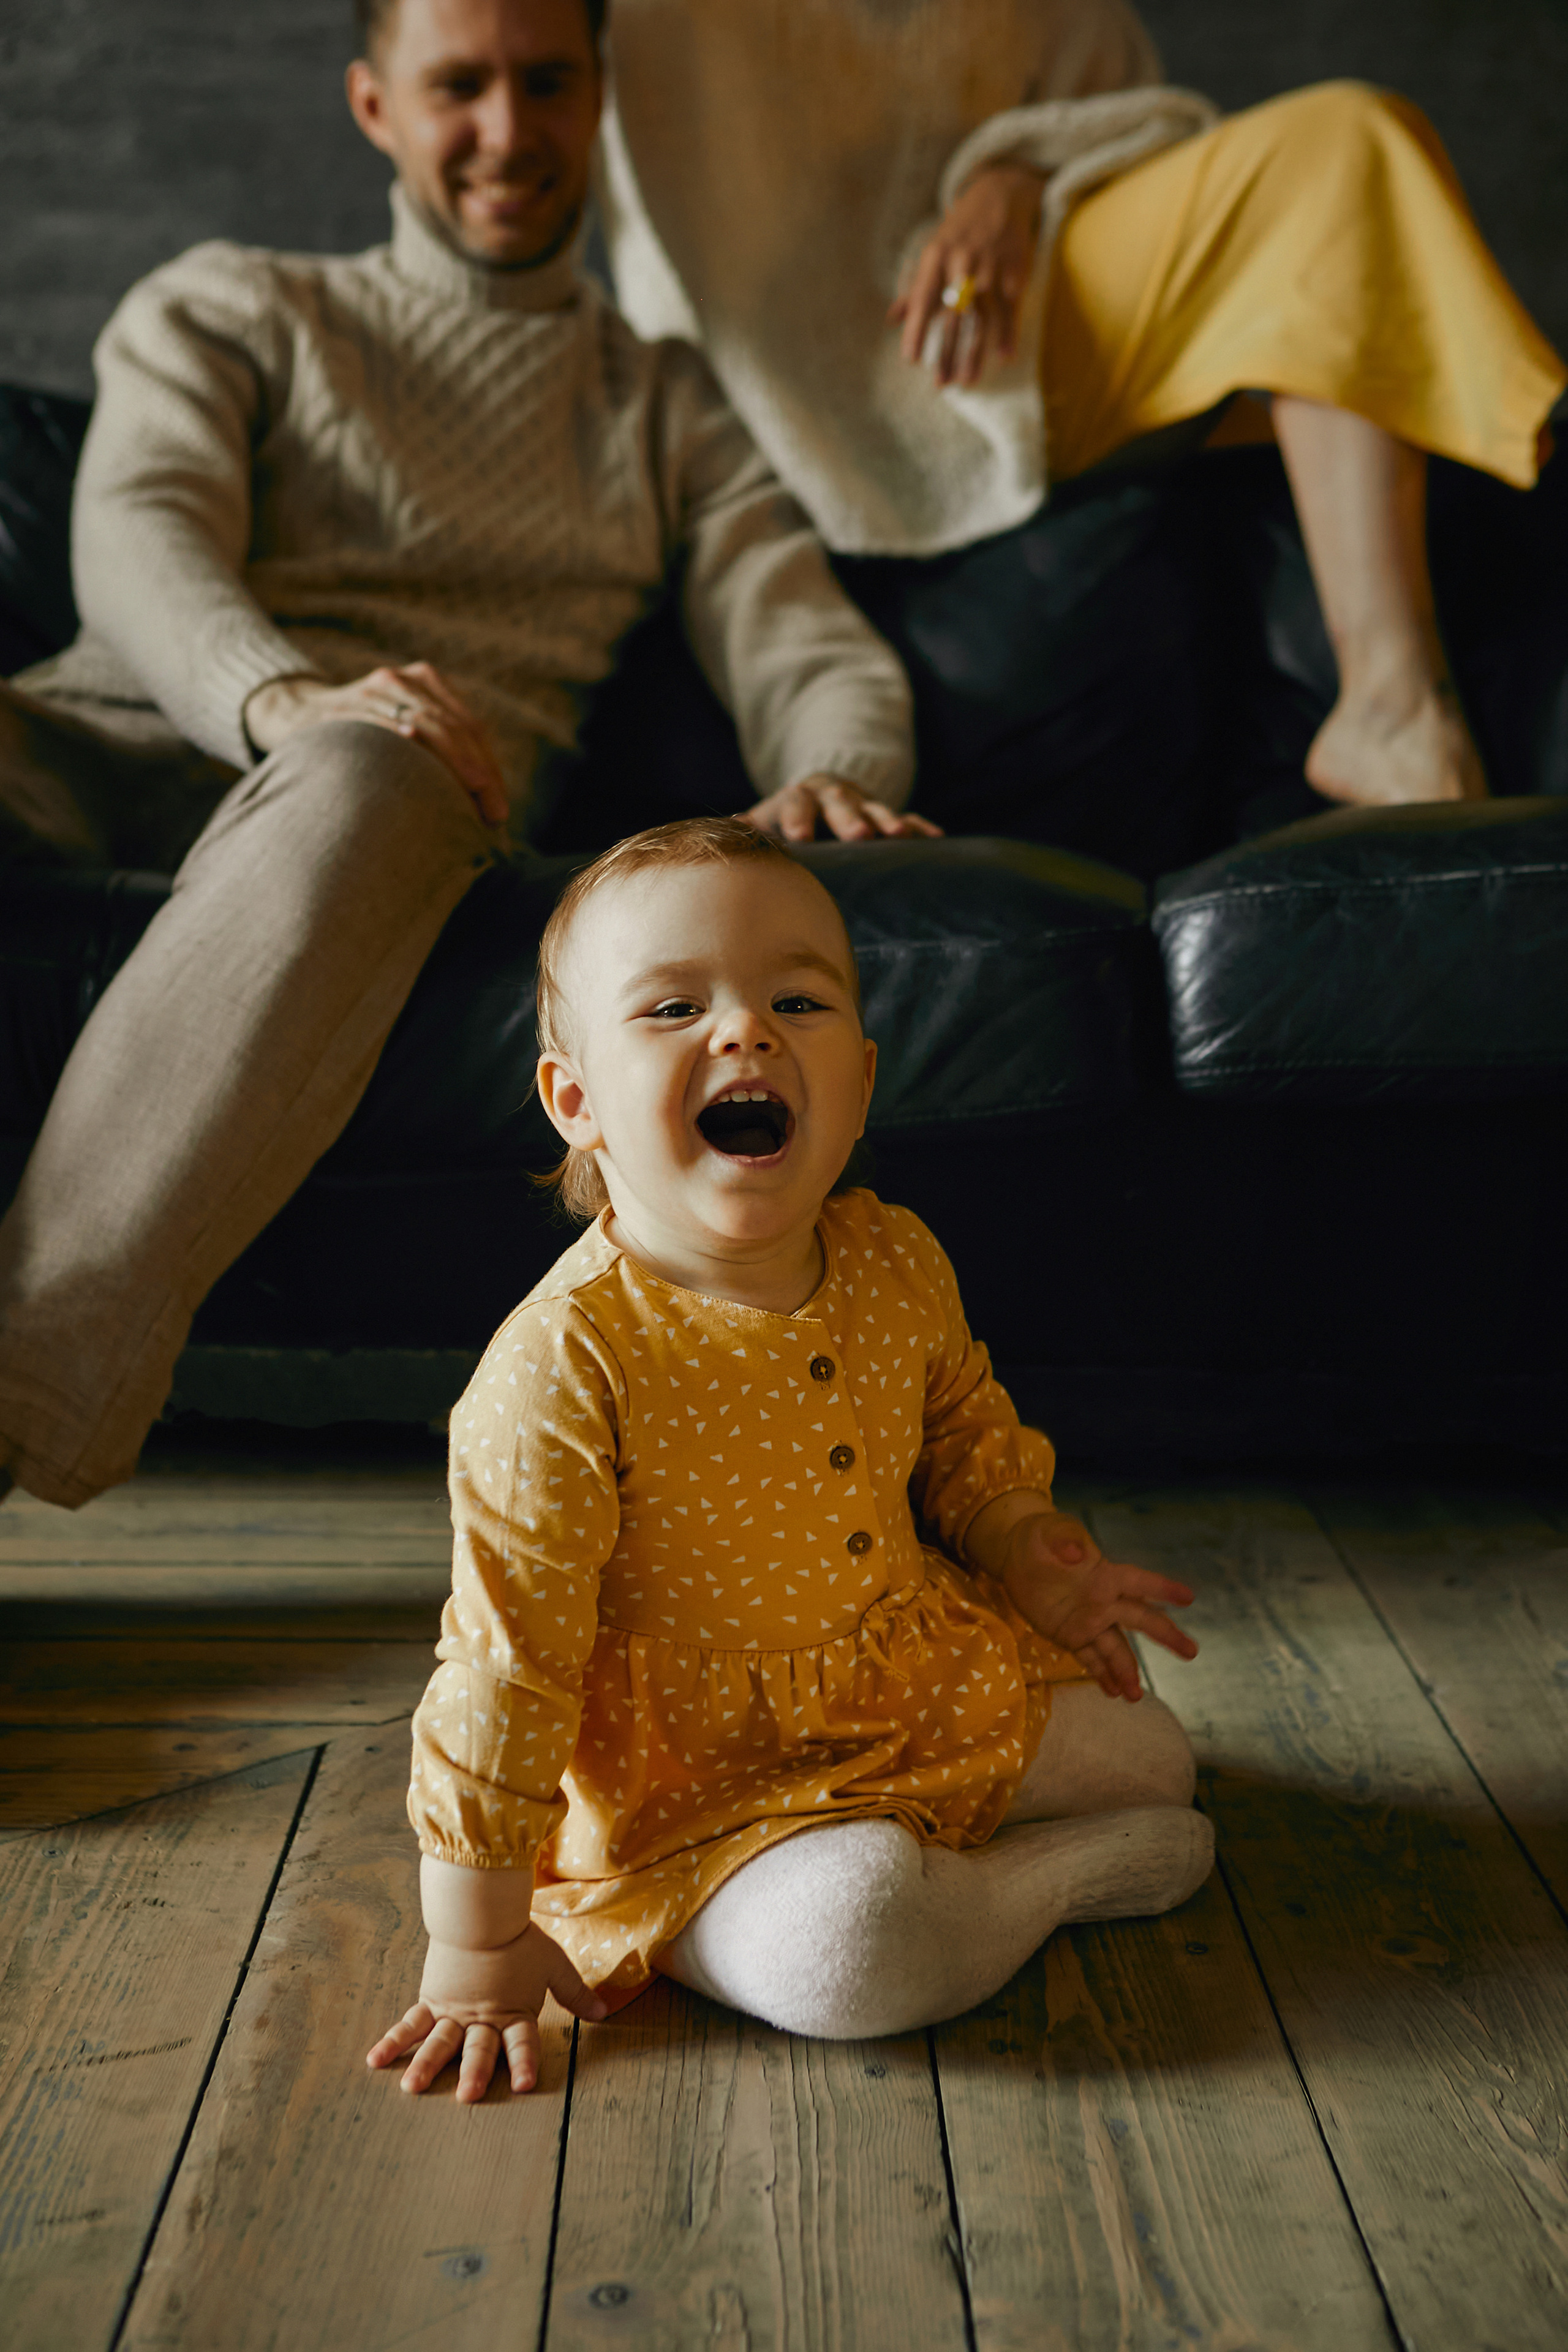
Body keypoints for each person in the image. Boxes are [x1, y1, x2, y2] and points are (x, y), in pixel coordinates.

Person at [0, 0, 927, 1511]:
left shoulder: (659, 399)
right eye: (459, 87)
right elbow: (136, 531)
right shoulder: (235, 303)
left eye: (545, 83)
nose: (507, 131)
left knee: (376, 765)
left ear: (598, 96)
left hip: (391, 806)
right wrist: (284, 696)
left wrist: (835, 763)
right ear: (376, 105)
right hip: (100, 739)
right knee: (349, 741)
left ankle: (20, 1401)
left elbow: (800, 631)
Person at [367, 816, 1210, 2094]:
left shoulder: (893, 1256)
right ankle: (1028, 1887)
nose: (746, 1033)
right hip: (692, 1798)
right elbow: (505, 1667)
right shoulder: (563, 1365)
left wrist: (1028, 1548)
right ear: (576, 1100)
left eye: (796, 1001)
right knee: (851, 1950)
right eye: (673, 1007)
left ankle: (933, 1860)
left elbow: (964, 1432)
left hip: (908, 1695)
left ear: (858, 1085)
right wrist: (475, 1942)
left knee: (1159, 1757)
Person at [600, 0, 1568, 835]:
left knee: (1342, 149)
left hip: (1027, 311)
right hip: (790, 387)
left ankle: (1392, 706)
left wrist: (1013, 181)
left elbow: (1121, 105)